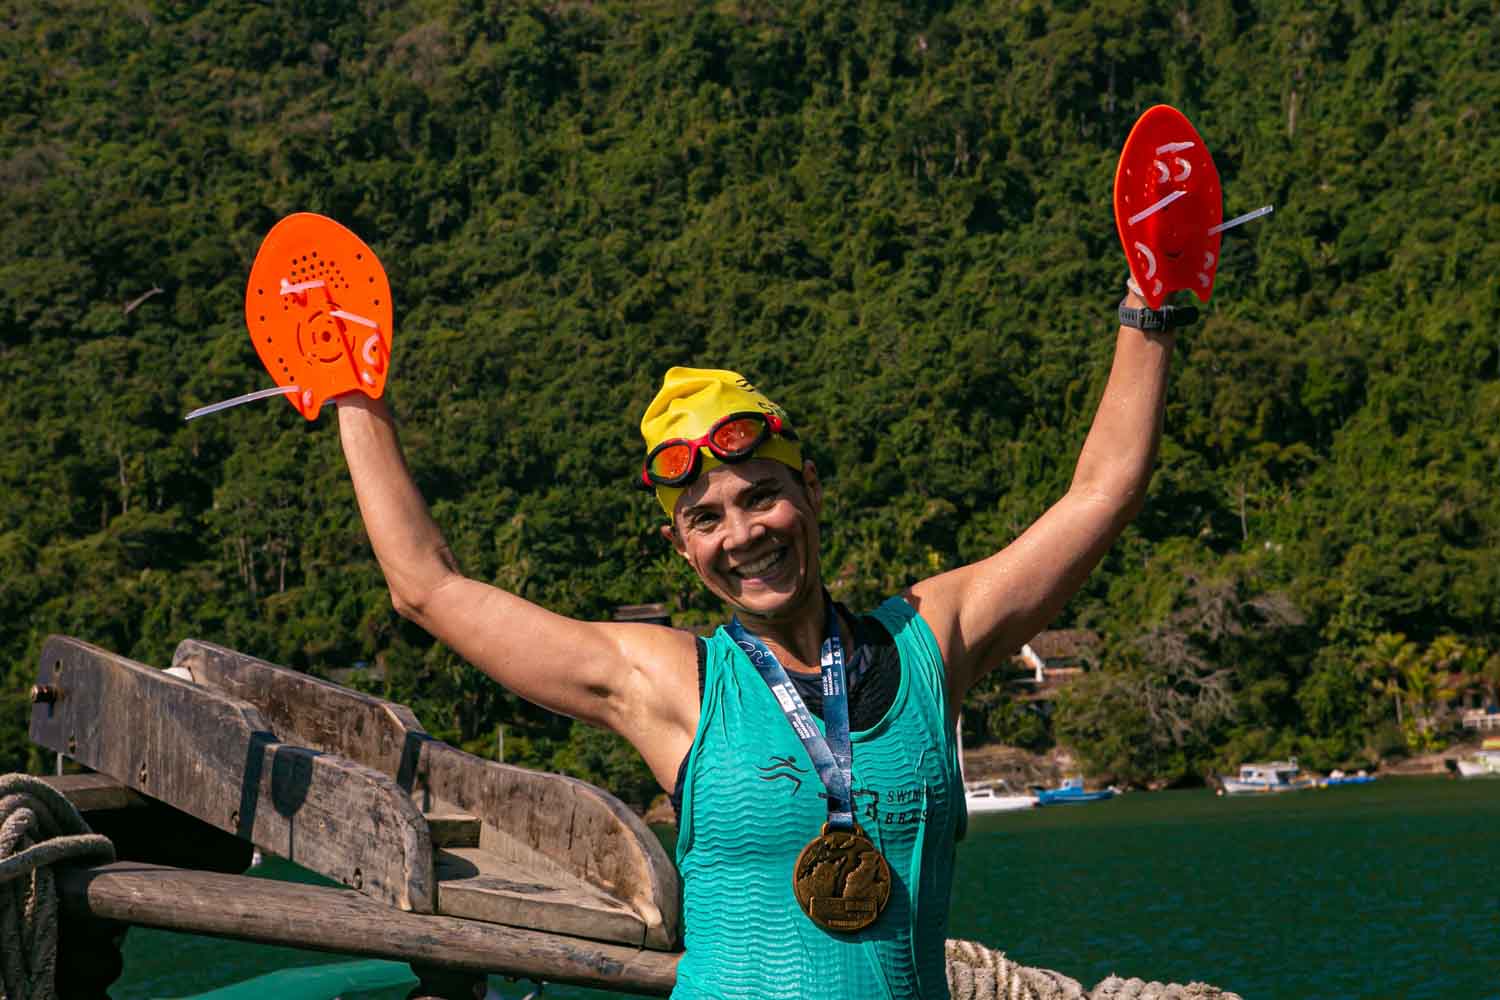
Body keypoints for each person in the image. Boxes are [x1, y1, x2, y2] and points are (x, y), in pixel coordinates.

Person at [333, 275, 1178, 998]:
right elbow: (428, 589)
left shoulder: (930, 640)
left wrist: (1150, 302)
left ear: (811, 488)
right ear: (681, 547)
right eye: (705, 519)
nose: (742, 536)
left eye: (761, 496)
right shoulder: (671, 683)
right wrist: (354, 393)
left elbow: (1102, 493)